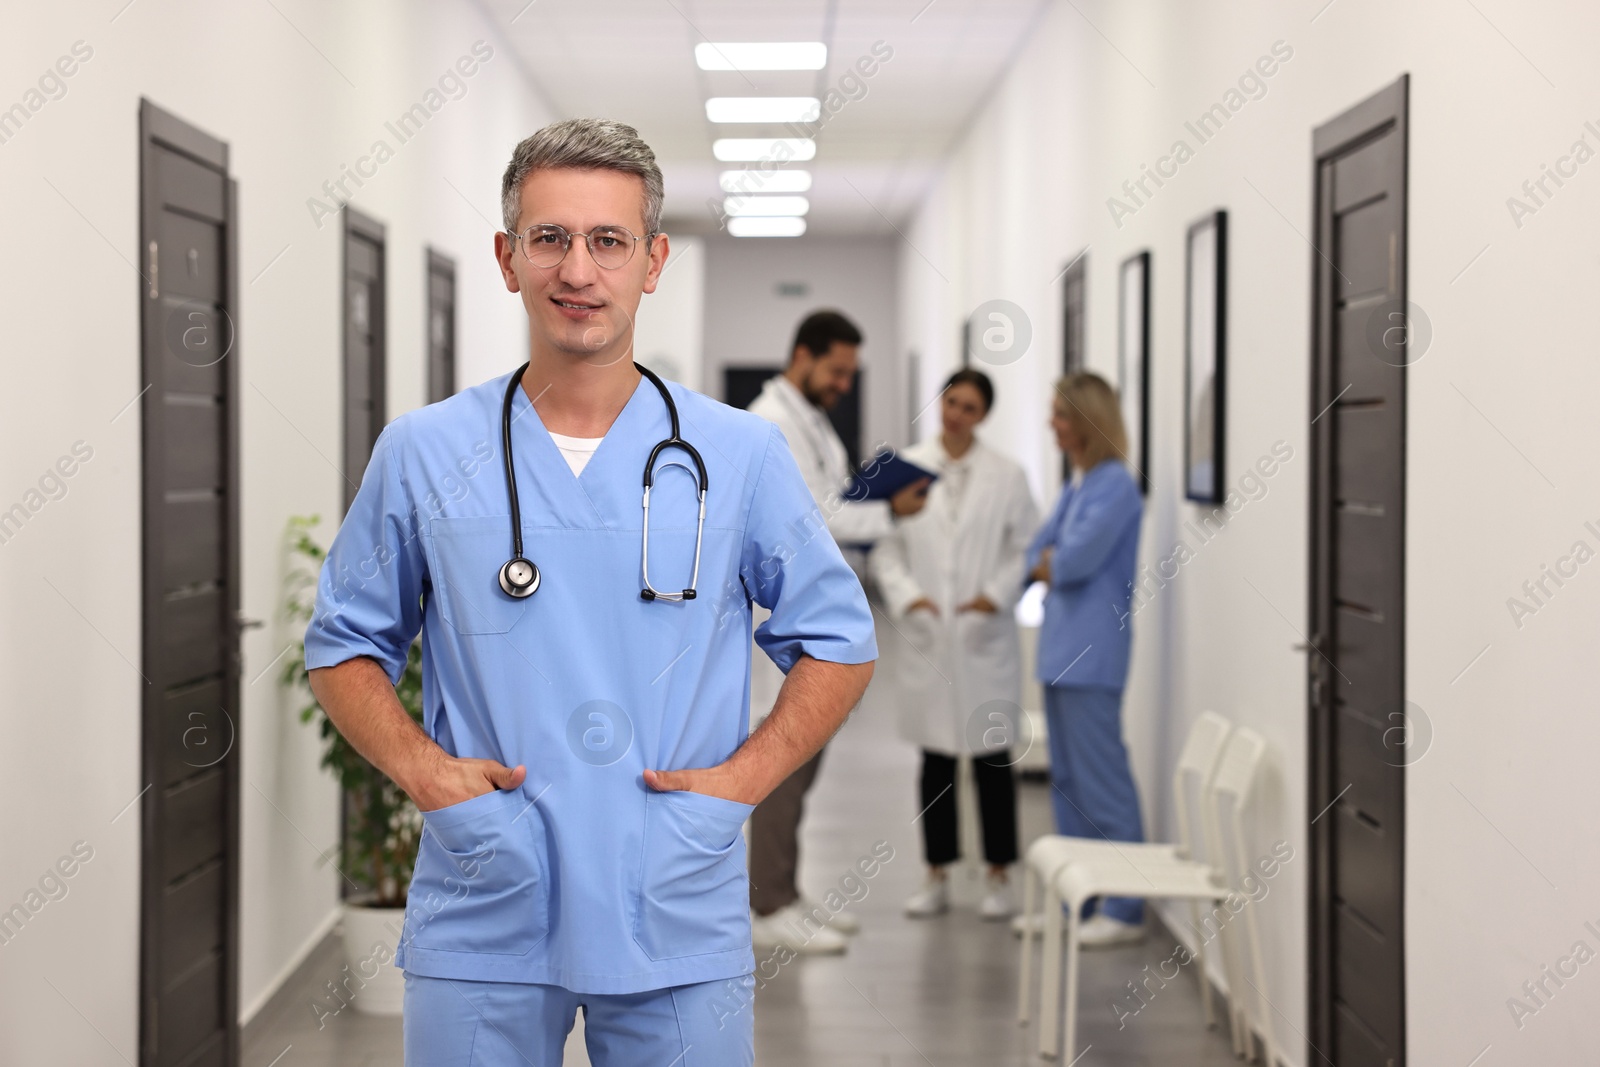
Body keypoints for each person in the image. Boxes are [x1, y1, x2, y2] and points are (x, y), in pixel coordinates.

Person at [302, 118, 877, 1067]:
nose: (579, 269)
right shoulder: (424, 452)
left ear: (652, 262)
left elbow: (841, 641)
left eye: (608, 241)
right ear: (507, 257)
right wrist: (427, 775)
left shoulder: (737, 455)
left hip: (673, 892)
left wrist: (740, 785)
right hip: (489, 896)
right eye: (551, 238)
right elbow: (341, 645)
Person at [744, 310, 929, 955]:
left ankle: (786, 892)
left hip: (817, 615)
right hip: (784, 616)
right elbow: (812, 518)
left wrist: (874, 503)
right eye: (837, 370)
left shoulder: (811, 419)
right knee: (784, 757)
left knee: (808, 757)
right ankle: (765, 903)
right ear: (804, 354)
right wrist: (888, 510)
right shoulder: (771, 420)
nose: (844, 384)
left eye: (851, 374)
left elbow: (832, 497)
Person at [870, 368, 1039, 921]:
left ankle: (999, 875)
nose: (955, 415)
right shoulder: (907, 468)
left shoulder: (1007, 476)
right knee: (936, 762)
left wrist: (996, 594)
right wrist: (909, 597)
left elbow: (1026, 547)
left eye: (968, 407)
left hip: (981, 633)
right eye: (950, 403)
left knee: (992, 761)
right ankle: (936, 873)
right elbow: (885, 548)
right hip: (930, 634)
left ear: (982, 415)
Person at [1021, 372, 1146, 948]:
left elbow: (1066, 563)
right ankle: (1080, 898)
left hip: (1093, 655)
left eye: (1061, 414)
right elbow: (1035, 553)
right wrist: (1048, 558)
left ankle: (1123, 908)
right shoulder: (1078, 485)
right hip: (1060, 652)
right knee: (1068, 783)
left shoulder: (1116, 485)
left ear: (1087, 420)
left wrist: (1051, 560)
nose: (1052, 424)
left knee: (1103, 781)